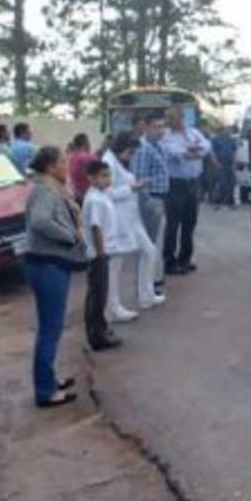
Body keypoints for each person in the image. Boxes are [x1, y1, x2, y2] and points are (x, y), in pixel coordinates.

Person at [22, 146, 84, 408]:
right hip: (48, 265)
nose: (65, 166)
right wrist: (69, 236)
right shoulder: (46, 190)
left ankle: (49, 380)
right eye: (61, 162)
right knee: (50, 329)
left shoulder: (48, 187)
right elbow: (40, 222)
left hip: (48, 264)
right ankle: (45, 391)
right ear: (49, 167)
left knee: (51, 327)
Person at [103, 135, 162, 316]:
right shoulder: (108, 162)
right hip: (117, 219)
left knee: (149, 251)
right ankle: (112, 307)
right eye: (131, 151)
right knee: (115, 264)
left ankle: (146, 294)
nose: (132, 155)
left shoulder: (119, 162)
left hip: (130, 216)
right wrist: (133, 188)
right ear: (122, 147)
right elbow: (107, 192)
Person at [80, 160, 122, 351]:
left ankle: (101, 328)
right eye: (103, 176)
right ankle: (97, 336)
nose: (108, 179)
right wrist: (101, 253)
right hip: (98, 254)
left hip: (103, 251)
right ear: (91, 178)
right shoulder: (95, 200)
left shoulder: (101, 195)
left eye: (108, 175)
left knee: (100, 294)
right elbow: (96, 228)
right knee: (98, 296)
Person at [163, 109, 210, 274]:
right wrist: (191, 151)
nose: (171, 121)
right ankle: (169, 261)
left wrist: (192, 151)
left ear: (181, 117)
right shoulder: (166, 135)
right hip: (176, 183)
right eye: (168, 118)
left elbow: (206, 146)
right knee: (173, 223)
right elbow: (175, 152)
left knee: (189, 222)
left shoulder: (194, 133)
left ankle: (185, 258)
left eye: (174, 117)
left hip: (193, 183)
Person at [130, 117, 170, 294]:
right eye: (156, 126)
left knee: (154, 243)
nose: (160, 130)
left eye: (162, 126)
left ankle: (151, 280)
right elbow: (139, 177)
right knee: (148, 244)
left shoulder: (157, 147)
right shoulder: (143, 149)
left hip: (159, 197)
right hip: (150, 199)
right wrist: (146, 203)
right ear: (146, 128)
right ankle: (145, 285)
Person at [210, 126, 238, 207]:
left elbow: (234, 152)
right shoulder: (216, 139)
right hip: (220, 163)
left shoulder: (232, 140)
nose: (229, 131)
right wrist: (215, 162)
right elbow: (212, 152)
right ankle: (217, 201)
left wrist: (234, 163)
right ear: (223, 130)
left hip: (229, 164)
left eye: (230, 130)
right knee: (221, 182)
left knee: (232, 182)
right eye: (227, 129)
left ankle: (230, 201)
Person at [66, 133, 94, 204]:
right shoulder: (88, 157)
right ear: (86, 143)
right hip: (88, 196)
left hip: (76, 196)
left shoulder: (71, 158)